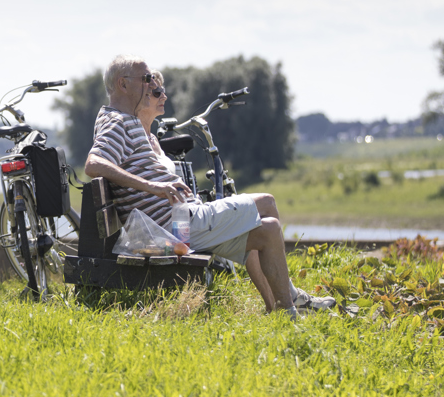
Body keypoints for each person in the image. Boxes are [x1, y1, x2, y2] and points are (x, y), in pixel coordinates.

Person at [85, 55, 335, 318]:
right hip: (175, 227)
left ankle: (285, 310)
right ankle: (291, 308)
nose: (150, 85)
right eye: (145, 79)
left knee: (268, 229)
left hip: (178, 223)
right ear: (123, 84)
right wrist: (152, 186)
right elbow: (93, 163)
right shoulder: (118, 122)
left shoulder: (126, 121)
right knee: (267, 201)